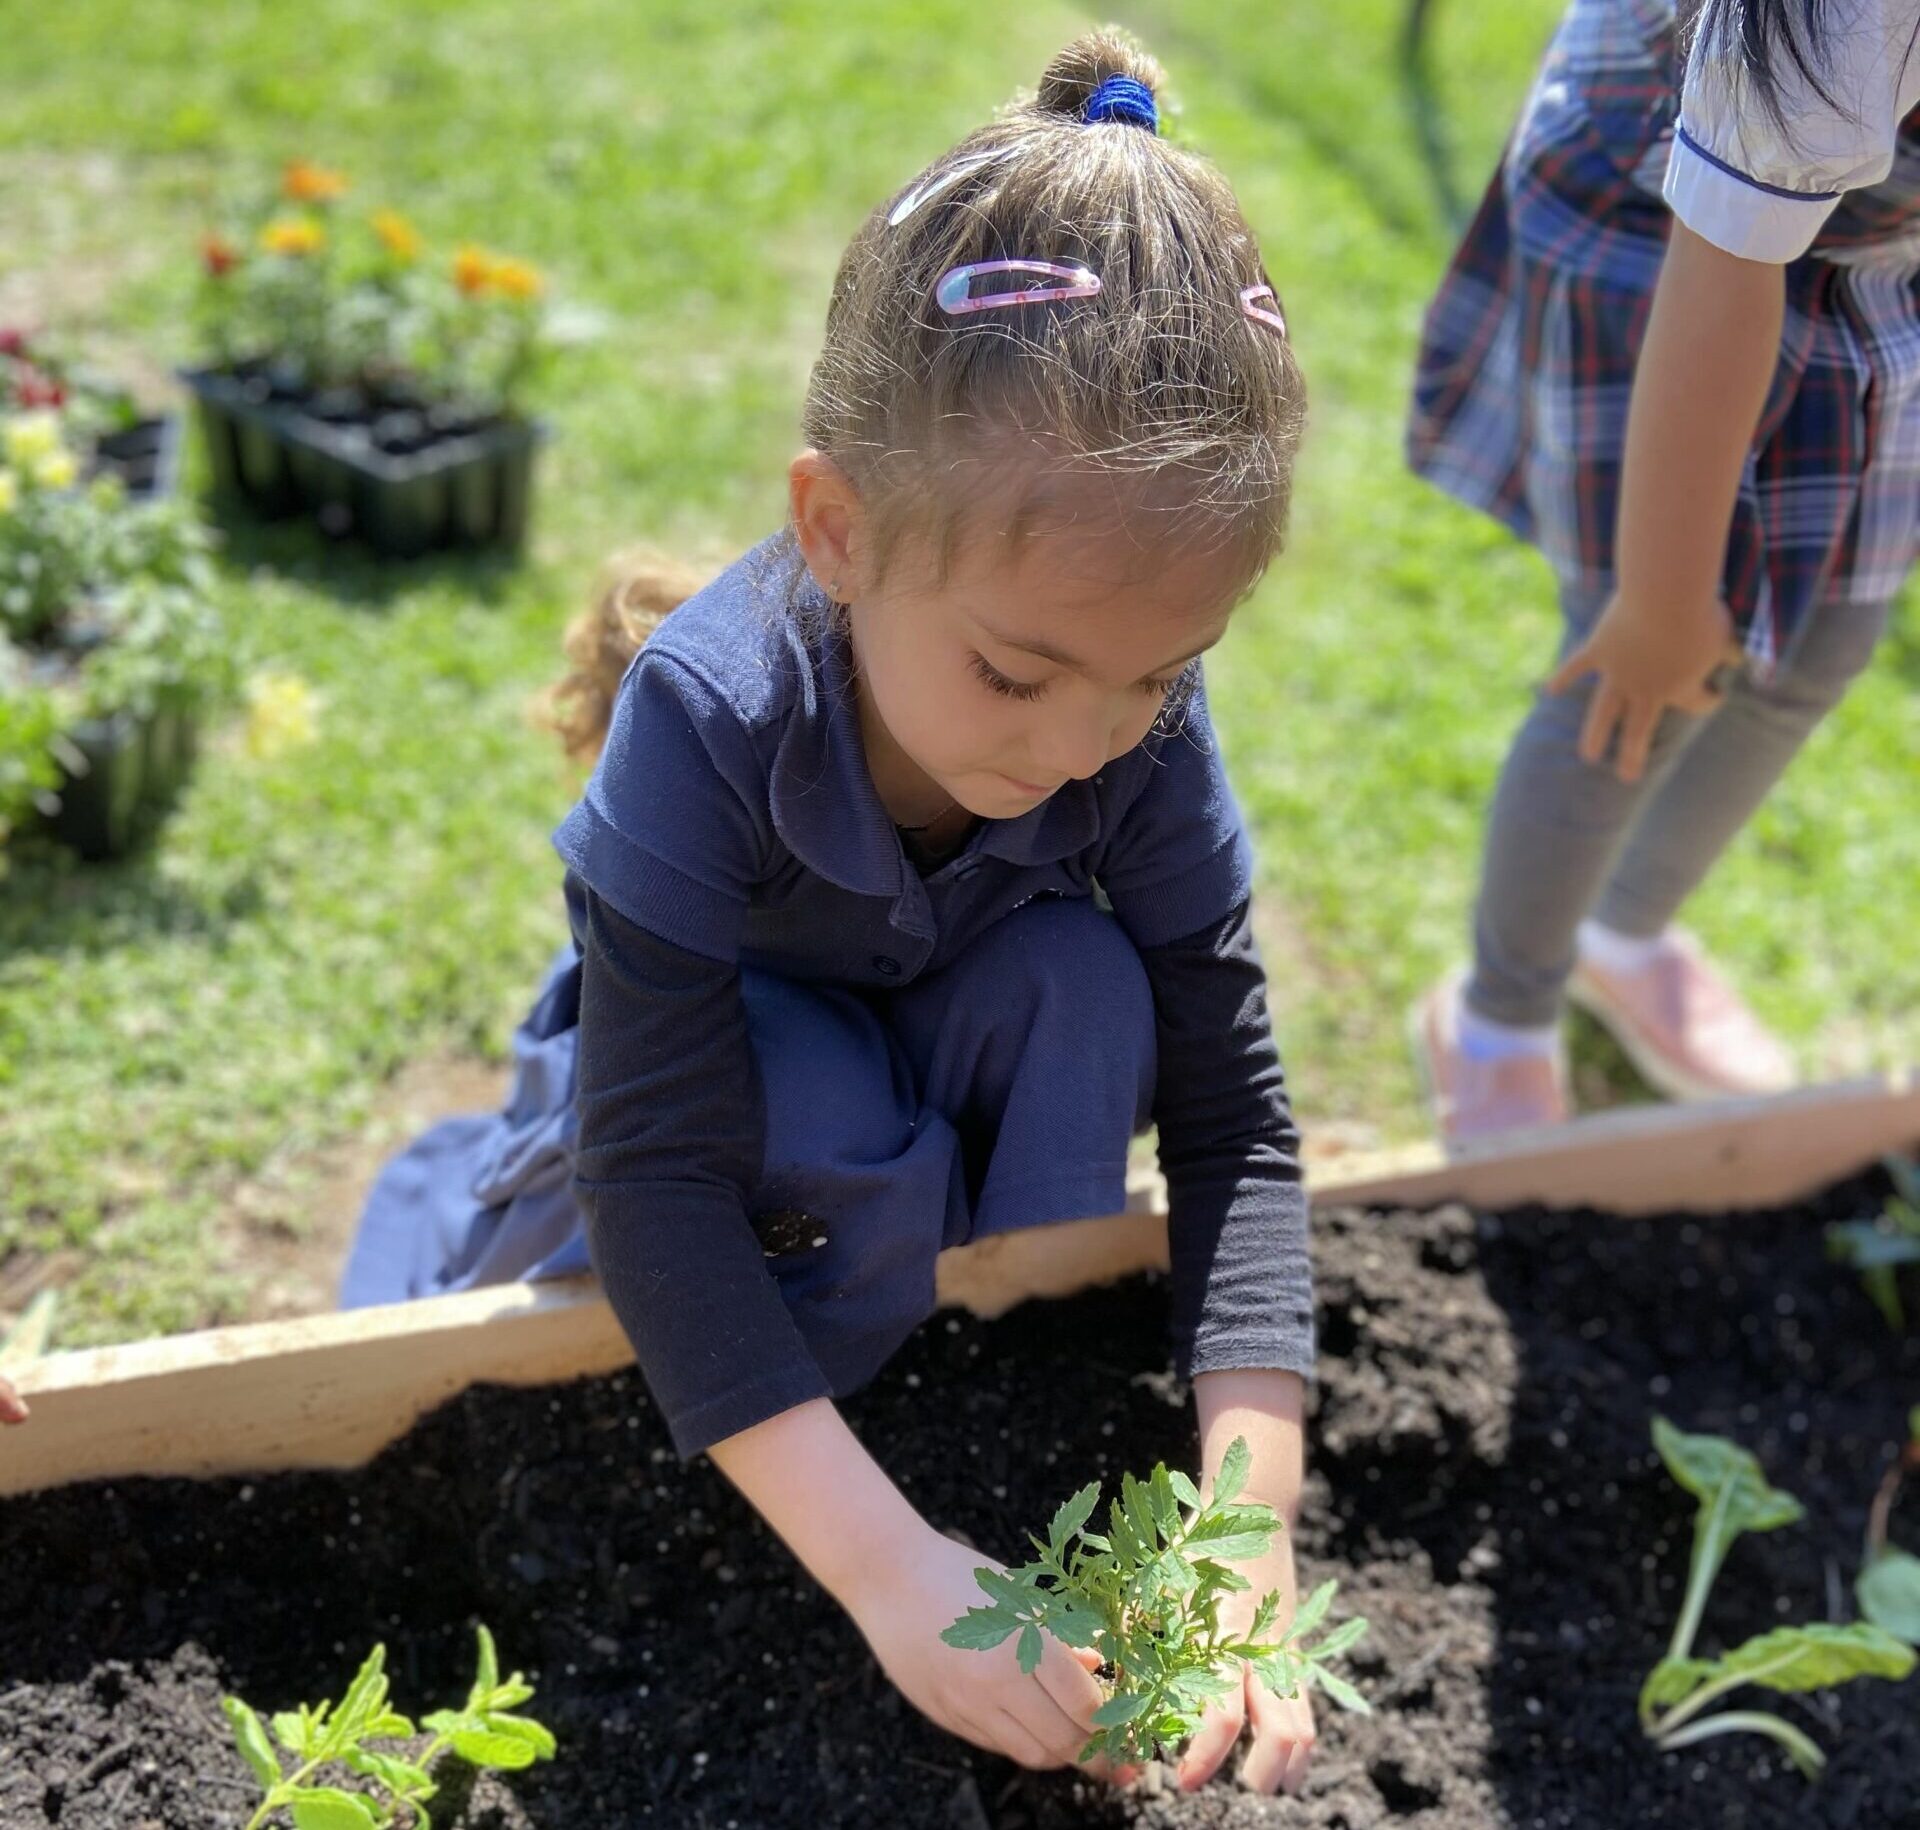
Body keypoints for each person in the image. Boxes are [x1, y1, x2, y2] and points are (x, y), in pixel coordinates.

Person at [342, 30, 1321, 1796]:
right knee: (801, 1105)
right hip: (705, 1106)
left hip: (915, 1058)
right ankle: (705, 1349)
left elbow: (1238, 1117)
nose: (1087, 743)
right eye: (1020, 675)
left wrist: (1246, 1522)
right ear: (837, 528)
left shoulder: (1126, 720)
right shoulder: (710, 717)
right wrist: (885, 1576)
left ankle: (962, 1380)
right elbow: (652, 1169)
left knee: (1086, 986)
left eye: (1160, 682)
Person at [1407, 0, 1920, 1140]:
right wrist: (1661, 601)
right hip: (1668, 227)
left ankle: (1621, 935)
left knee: (1826, 642)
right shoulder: (1844, 18)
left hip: (1874, 250)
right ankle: (1497, 1018)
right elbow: (1721, 278)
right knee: (1649, 680)